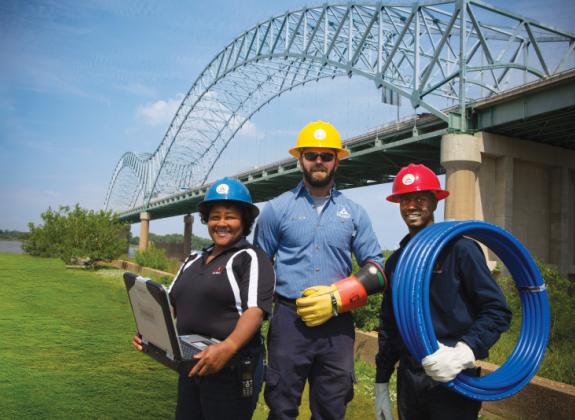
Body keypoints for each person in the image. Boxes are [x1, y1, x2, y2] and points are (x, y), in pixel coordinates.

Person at [254, 120, 384, 420]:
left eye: (326, 156)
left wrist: (339, 296)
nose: (319, 162)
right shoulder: (276, 209)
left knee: (331, 407)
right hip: (289, 320)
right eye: (312, 155)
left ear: (337, 160)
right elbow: (259, 269)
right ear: (300, 158)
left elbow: (376, 269)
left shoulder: (354, 213)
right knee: (282, 404)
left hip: (337, 325)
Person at [375, 163, 512, 420]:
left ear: (435, 202)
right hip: (410, 379)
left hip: (453, 378)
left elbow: (497, 312)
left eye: (420, 199)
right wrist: (381, 381)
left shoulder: (460, 251)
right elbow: (389, 326)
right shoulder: (397, 262)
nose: (411, 206)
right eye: (405, 200)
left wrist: (465, 351)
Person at [132, 177, 275, 420]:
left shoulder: (249, 257)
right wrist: (153, 337)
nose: (221, 223)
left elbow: (255, 311)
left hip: (231, 369)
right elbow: (169, 305)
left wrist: (227, 347)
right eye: (215, 216)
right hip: (191, 365)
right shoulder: (193, 258)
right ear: (206, 219)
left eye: (230, 216)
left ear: (244, 221)